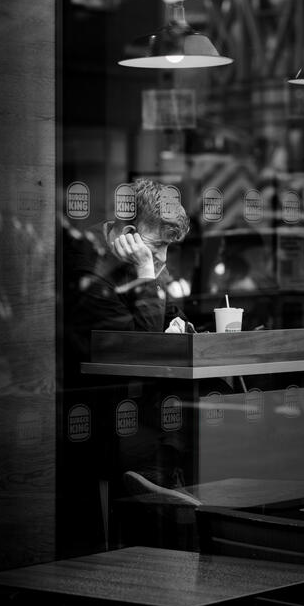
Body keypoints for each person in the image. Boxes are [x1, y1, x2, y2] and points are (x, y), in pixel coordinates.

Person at [62, 179, 193, 546]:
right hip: (91, 417)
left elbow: (163, 321)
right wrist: (146, 275)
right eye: (158, 246)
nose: (163, 259)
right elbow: (140, 351)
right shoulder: (89, 269)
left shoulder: (136, 260)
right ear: (130, 234)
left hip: (130, 410)